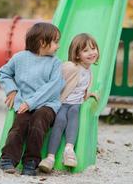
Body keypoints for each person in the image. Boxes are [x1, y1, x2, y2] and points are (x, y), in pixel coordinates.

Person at [0, 22, 65, 176]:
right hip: (24, 104)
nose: (58, 46)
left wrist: (31, 102)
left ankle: (31, 161)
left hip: (47, 104)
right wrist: (12, 90)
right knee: (20, 124)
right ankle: (7, 158)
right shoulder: (20, 58)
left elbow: (53, 87)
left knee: (39, 121)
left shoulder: (55, 63)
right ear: (42, 42)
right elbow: (3, 73)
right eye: (55, 41)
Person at [38, 33, 100, 173]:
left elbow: (81, 89)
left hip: (75, 104)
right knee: (60, 121)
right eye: (85, 51)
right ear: (77, 55)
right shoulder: (70, 67)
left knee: (74, 114)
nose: (91, 53)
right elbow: (55, 79)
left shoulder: (89, 71)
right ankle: (50, 158)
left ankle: (69, 150)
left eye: (93, 48)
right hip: (61, 103)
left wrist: (89, 94)